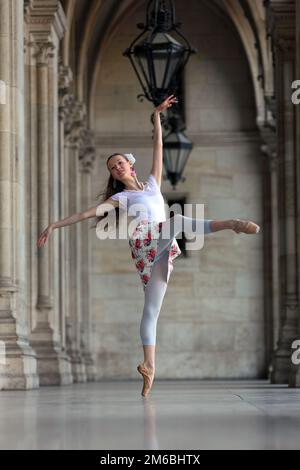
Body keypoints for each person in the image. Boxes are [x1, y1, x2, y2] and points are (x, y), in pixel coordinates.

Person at [37, 94, 260, 398]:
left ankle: (149, 366)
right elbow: (83, 214)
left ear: (129, 164)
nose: (116, 168)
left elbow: (158, 147)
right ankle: (231, 224)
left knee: (151, 310)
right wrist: (53, 225)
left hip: (161, 244)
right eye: (112, 168)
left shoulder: (153, 184)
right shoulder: (120, 198)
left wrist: (156, 115)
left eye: (119, 163)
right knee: (177, 222)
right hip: (144, 243)